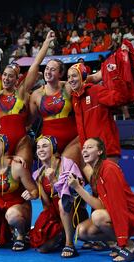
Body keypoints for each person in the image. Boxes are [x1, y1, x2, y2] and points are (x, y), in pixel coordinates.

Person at [69, 138, 134, 262]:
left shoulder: (109, 169)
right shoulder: (96, 173)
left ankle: (127, 245)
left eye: (90, 147)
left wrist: (123, 241)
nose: (85, 150)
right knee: (82, 231)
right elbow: (100, 205)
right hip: (118, 215)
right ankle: (117, 243)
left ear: (100, 151)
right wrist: (78, 188)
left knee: (98, 216)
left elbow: (119, 207)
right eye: (84, 148)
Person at [0, 31, 57, 166]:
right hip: (2, 142)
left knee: (23, 172)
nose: (6, 78)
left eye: (10, 76)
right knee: (5, 178)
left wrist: (46, 42)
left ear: (17, 80)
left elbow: (36, 64)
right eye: (4, 75)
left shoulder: (21, 93)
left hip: (22, 141)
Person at [29, 135, 87, 257]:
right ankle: (62, 235)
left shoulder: (67, 165)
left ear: (54, 148)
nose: (41, 150)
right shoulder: (38, 174)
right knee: (42, 248)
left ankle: (69, 244)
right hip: (55, 212)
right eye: (38, 147)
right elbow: (46, 205)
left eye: (45, 146)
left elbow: (72, 195)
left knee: (62, 203)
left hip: (74, 210)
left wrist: (54, 180)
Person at [29, 31, 80, 164]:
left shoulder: (69, 87)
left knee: (68, 170)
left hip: (73, 140)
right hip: (49, 143)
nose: (48, 71)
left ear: (61, 73)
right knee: (53, 177)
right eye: (46, 68)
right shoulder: (36, 95)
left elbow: (88, 81)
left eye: (53, 69)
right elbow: (28, 121)